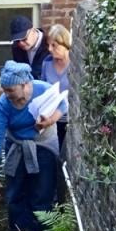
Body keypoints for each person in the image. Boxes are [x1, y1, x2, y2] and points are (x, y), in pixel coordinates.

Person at [0, 60, 63, 231]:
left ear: (25, 85)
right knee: (15, 193)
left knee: (42, 193)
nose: (6, 94)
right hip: (17, 148)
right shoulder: (4, 103)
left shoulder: (43, 89)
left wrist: (50, 121)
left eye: (10, 90)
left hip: (43, 146)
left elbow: (63, 104)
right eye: (4, 89)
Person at [40, 23, 71, 151]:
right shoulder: (46, 63)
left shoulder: (74, 64)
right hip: (51, 120)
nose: (50, 49)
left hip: (69, 119)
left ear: (65, 45)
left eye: (54, 46)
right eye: (49, 45)